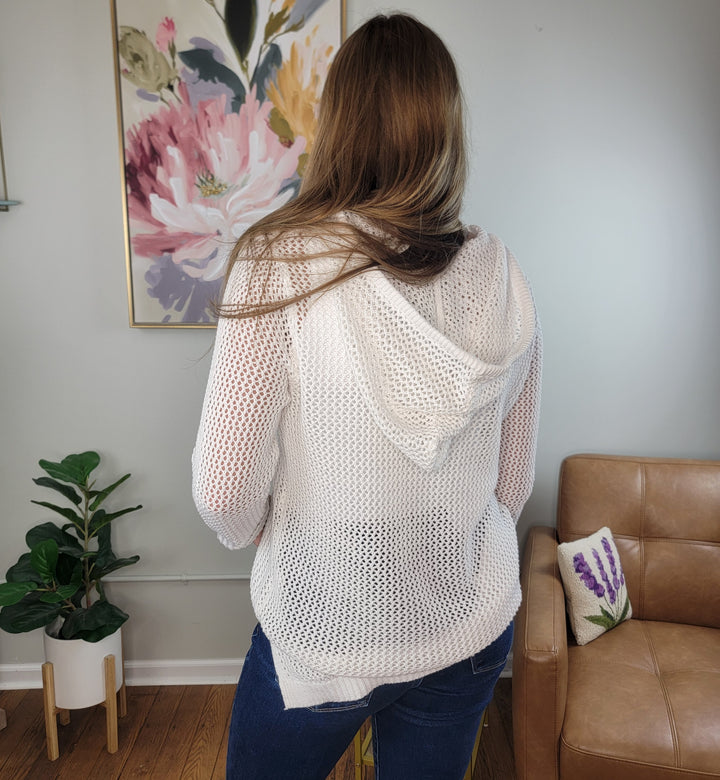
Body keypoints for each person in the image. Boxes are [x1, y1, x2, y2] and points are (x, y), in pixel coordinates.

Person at [192, 12, 542, 780]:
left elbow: (223, 488)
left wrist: (256, 529)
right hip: (462, 617)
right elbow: (511, 486)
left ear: (339, 121)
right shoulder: (504, 272)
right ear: (445, 127)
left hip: (327, 621)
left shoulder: (279, 259)